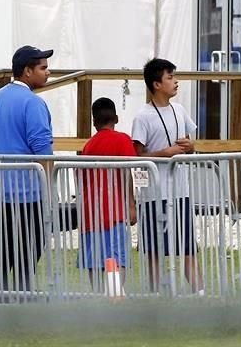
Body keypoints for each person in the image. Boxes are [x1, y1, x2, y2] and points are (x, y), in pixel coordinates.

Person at [0, 45, 54, 298]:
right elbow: (43, 151)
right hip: (26, 192)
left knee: (1, 253)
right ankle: (23, 300)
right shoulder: (33, 103)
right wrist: (50, 193)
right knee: (27, 254)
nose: (48, 73)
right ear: (27, 71)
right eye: (43, 68)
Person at [131, 58, 203, 294]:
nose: (175, 82)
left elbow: (192, 143)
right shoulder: (142, 116)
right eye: (170, 77)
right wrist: (164, 153)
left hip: (180, 191)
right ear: (156, 84)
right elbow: (138, 155)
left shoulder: (179, 110)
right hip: (153, 194)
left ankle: (199, 293)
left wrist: (190, 147)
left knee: (188, 247)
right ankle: (155, 295)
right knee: (154, 249)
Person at [78, 97, 137, 290]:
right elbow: (128, 172)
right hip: (115, 210)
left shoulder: (89, 146)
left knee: (94, 258)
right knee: (116, 257)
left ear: (94, 122)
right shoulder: (123, 140)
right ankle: (113, 295)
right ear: (116, 119)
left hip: (90, 212)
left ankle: (96, 297)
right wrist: (131, 203)